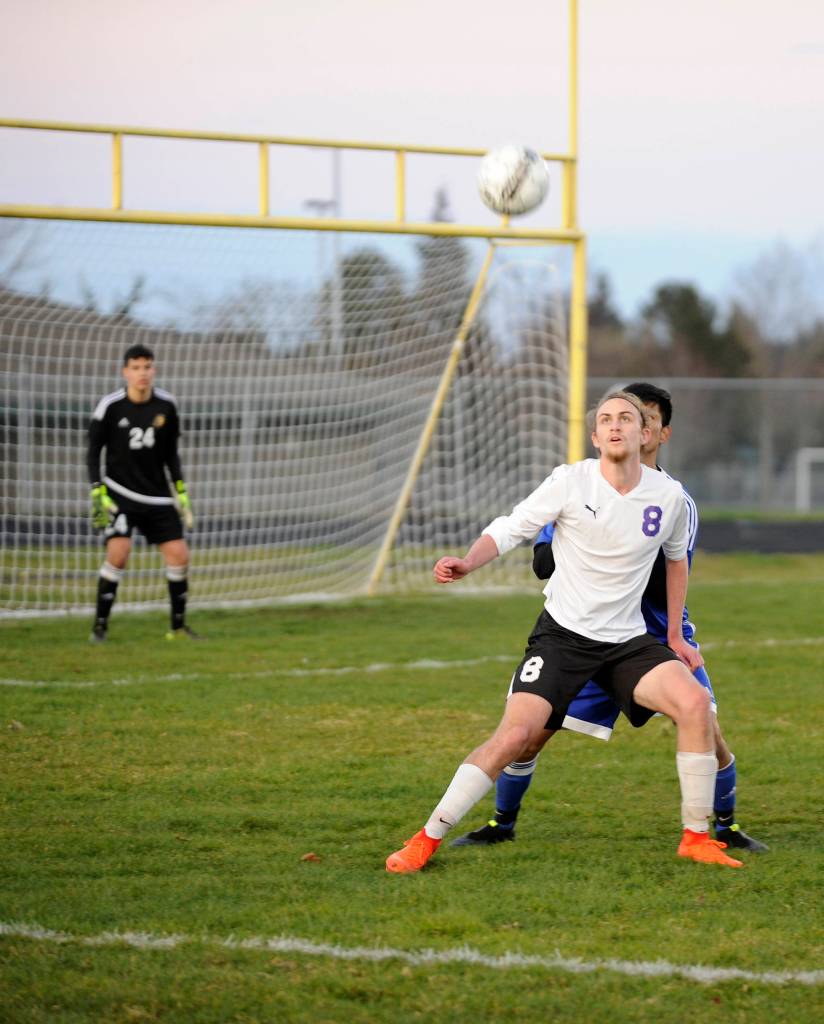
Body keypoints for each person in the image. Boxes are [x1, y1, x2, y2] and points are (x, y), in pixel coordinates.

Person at [386, 390, 744, 874]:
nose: (615, 425)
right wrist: (468, 561)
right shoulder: (570, 482)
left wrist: (676, 637)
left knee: (696, 705)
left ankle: (697, 837)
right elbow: (511, 528)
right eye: (605, 419)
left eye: (626, 419)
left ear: (646, 435)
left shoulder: (670, 497)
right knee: (516, 736)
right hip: (563, 638)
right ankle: (426, 838)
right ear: (596, 436)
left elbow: (677, 560)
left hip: (628, 642)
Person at [87, 344, 199, 643]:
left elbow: (170, 455)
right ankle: (100, 628)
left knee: (179, 555)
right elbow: (92, 452)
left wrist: (181, 490)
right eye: (136, 368)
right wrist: (97, 490)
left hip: (157, 495)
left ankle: (177, 627)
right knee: (119, 554)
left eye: (147, 367)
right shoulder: (110, 406)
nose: (142, 373)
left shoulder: (166, 406)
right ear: (126, 372)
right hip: (119, 493)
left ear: (154, 370)